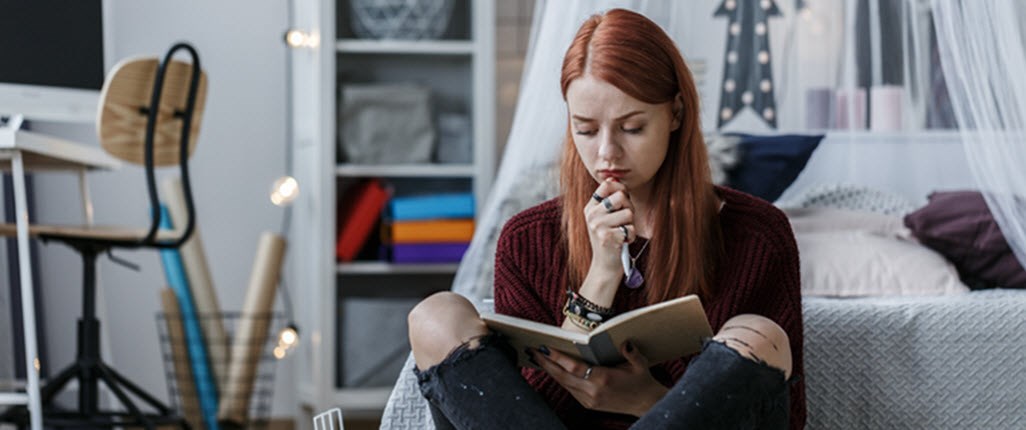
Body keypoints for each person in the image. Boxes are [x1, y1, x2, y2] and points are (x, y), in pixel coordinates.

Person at [407, 8, 804, 430]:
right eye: (586, 129)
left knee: (759, 333)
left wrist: (646, 399)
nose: (607, 154)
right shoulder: (527, 239)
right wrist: (601, 274)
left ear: (676, 114)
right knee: (437, 315)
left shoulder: (759, 234)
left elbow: (785, 415)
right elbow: (521, 408)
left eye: (632, 128)